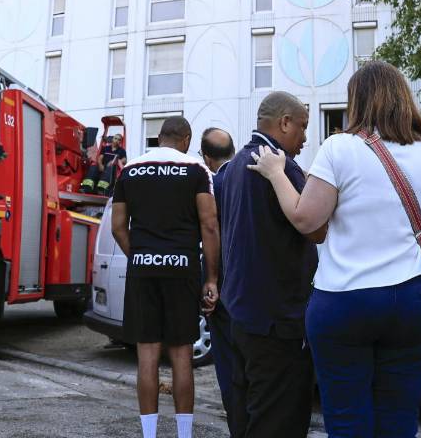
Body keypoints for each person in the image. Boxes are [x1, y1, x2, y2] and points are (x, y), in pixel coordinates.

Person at [250, 61, 421, 437]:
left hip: (343, 302)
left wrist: (276, 174)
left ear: (357, 102)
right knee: (399, 419)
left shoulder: (338, 149)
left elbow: (306, 219)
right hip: (411, 302)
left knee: (348, 421)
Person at [215, 91, 319, 438]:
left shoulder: (231, 169)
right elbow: (314, 225)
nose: (305, 137)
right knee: (280, 419)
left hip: (242, 314)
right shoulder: (280, 166)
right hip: (278, 319)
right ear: (284, 122)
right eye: (302, 127)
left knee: (246, 414)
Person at [111, 117, 220, 438]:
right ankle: (184, 435)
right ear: (186, 139)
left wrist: (141, 256)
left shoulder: (130, 170)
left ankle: (149, 434)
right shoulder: (196, 170)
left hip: (143, 269)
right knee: (181, 355)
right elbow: (210, 225)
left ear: (159, 139)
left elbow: (118, 226)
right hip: (183, 268)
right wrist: (211, 278)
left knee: (147, 356)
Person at [199, 126, 242, 436]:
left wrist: (210, 281)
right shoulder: (251, 178)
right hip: (254, 293)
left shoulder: (212, 187)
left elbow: (209, 234)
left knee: (229, 371)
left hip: (224, 291)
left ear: (205, 157)